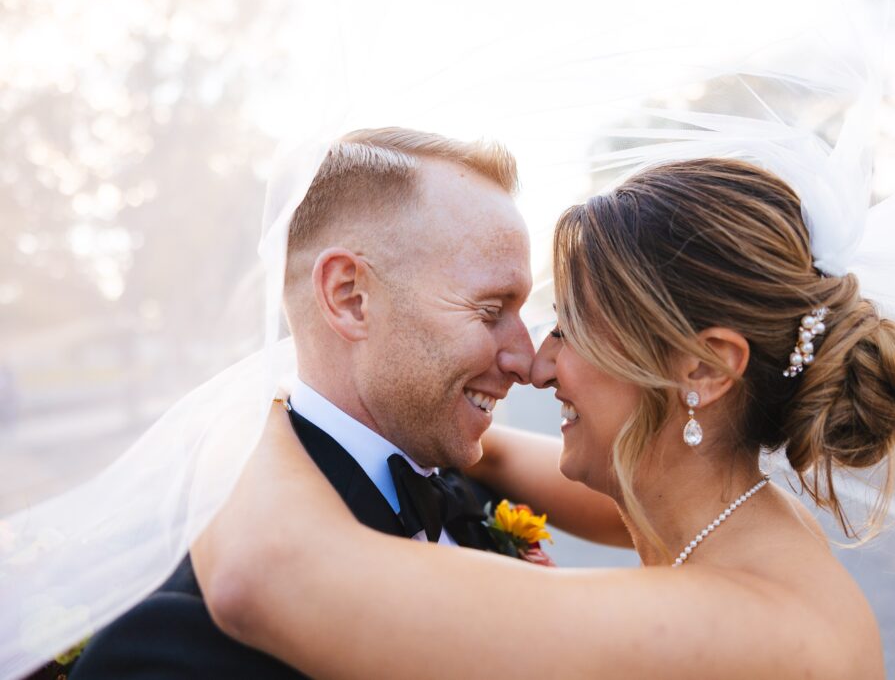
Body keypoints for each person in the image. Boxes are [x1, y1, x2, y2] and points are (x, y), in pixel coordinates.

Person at [191, 158, 895, 679]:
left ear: (703, 369)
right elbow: (529, 469)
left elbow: (266, 576)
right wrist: (435, 425)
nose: (539, 363)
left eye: (571, 327)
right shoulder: (727, 520)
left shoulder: (757, 629)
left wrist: (249, 398)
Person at [71, 127, 623, 678]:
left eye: (520, 311)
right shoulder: (175, 643)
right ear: (350, 298)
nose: (527, 361)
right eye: (488, 310)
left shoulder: (475, 490)